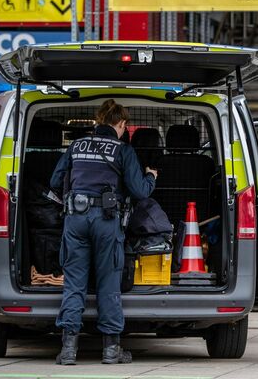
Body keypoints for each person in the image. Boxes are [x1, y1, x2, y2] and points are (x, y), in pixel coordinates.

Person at [50, 100, 158, 365]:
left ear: (98, 121)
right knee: (109, 283)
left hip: (75, 218)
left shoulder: (76, 146)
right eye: (125, 126)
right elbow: (140, 191)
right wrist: (151, 176)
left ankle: (68, 350)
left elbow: (54, 182)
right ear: (121, 124)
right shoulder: (123, 150)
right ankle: (111, 350)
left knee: (74, 282)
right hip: (107, 221)